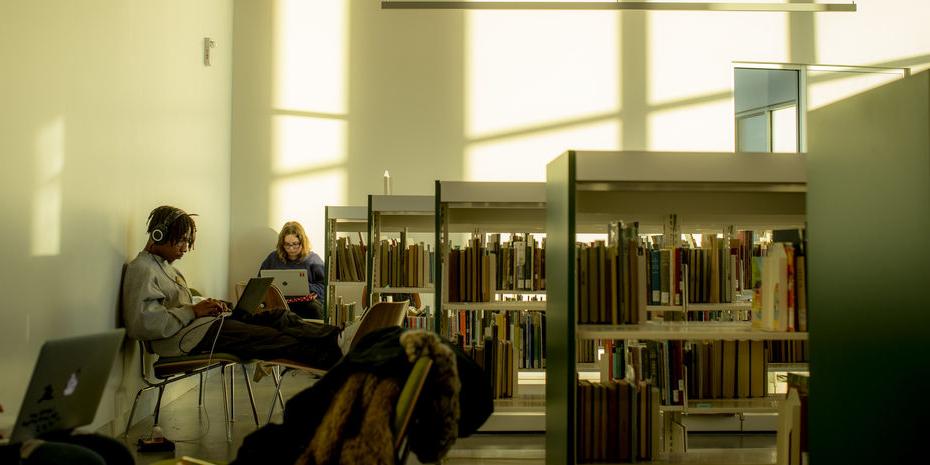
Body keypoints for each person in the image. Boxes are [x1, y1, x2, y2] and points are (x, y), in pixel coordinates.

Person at [121, 206, 343, 369]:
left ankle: (339, 337)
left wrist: (206, 305)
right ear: (158, 235)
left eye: (187, 242)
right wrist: (193, 311)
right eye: (181, 241)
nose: (185, 249)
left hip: (201, 327)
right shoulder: (142, 269)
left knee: (278, 316)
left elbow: (178, 305)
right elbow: (143, 325)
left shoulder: (168, 269)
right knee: (269, 337)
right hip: (186, 339)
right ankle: (338, 356)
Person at [258, 221, 325, 320]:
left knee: (313, 309)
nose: (291, 248)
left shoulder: (313, 260)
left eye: (295, 244)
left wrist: (308, 288)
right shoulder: (273, 258)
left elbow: (324, 285)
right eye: (287, 245)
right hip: (278, 303)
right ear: (282, 244)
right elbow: (260, 281)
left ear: (302, 242)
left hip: (305, 304)